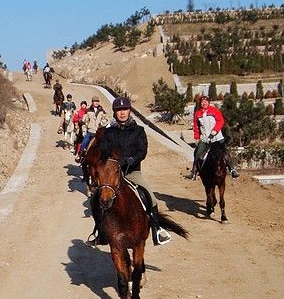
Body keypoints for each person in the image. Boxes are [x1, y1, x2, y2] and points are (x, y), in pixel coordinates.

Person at [90, 96, 172, 246]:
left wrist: (132, 159)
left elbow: (142, 151)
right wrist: (110, 162)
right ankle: (99, 232)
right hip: (112, 174)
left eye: (125, 109)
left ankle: (157, 229)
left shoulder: (139, 131)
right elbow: (102, 151)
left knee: (150, 197)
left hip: (132, 172)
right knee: (94, 199)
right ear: (115, 112)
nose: (122, 113)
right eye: (119, 110)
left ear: (129, 111)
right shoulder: (109, 132)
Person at [185, 94, 239, 180]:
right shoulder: (197, 113)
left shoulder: (214, 111)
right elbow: (196, 126)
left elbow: (220, 121)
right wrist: (197, 137)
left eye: (206, 102)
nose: (204, 103)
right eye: (202, 102)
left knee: (225, 151)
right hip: (205, 138)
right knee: (197, 153)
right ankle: (193, 172)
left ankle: (232, 169)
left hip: (217, 138)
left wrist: (215, 130)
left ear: (208, 103)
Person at [75, 96, 108, 162]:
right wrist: (84, 130)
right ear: (92, 102)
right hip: (90, 131)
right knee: (84, 143)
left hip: (98, 133)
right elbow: (84, 121)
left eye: (97, 101)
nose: (96, 103)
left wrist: (102, 123)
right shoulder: (88, 110)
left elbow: (106, 119)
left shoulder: (102, 111)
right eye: (95, 101)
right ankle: (80, 156)